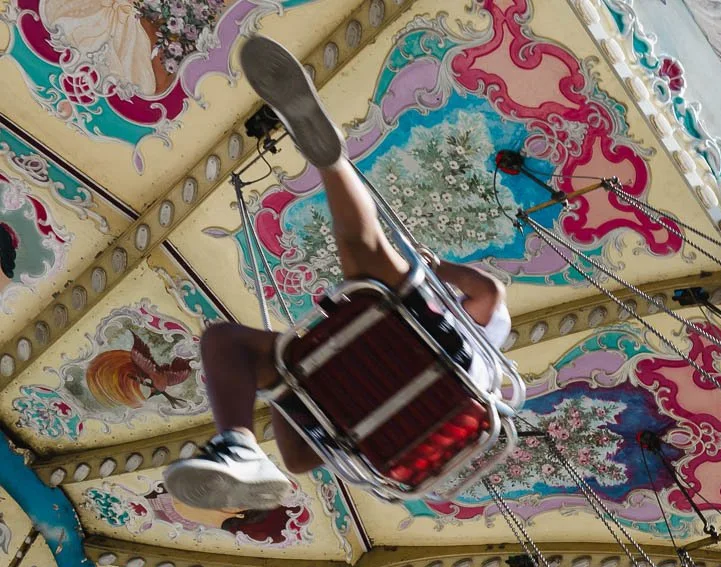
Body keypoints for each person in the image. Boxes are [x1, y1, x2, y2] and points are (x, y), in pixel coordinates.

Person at [163, 36, 513, 513]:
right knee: (366, 264)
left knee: (241, 340)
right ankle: (328, 161)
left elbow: (489, 290)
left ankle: (238, 439)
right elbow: (488, 291)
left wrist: (287, 386)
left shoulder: (485, 337)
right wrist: (438, 271)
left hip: (422, 378)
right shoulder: (484, 331)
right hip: (407, 404)